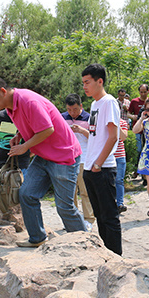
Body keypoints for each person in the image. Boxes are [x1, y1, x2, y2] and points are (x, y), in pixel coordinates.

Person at [0, 76, 87, 247]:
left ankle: (85, 244)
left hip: (63, 155)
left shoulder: (28, 101)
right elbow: (31, 124)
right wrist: (19, 135)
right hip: (43, 155)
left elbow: (47, 129)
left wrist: (24, 147)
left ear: (2, 91)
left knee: (65, 207)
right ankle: (37, 238)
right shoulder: (10, 108)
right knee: (27, 194)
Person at [81, 64, 122, 255]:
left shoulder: (109, 102)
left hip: (103, 167)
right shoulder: (94, 104)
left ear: (100, 81)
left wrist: (98, 163)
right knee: (99, 215)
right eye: (83, 83)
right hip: (91, 167)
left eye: (87, 82)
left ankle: (116, 257)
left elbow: (114, 136)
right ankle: (106, 254)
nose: (85, 87)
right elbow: (96, 135)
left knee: (109, 216)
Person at [61, 94, 95, 227]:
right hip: (67, 159)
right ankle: (72, 220)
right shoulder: (62, 117)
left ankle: (89, 220)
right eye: (69, 110)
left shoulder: (89, 118)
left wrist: (82, 130)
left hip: (84, 158)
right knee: (69, 192)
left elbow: (95, 138)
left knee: (85, 191)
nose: (72, 113)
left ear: (81, 106)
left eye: (75, 109)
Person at [114, 117, 129, 213]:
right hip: (108, 156)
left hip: (120, 156)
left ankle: (120, 204)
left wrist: (116, 125)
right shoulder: (104, 120)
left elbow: (123, 137)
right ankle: (111, 203)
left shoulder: (122, 122)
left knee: (119, 180)